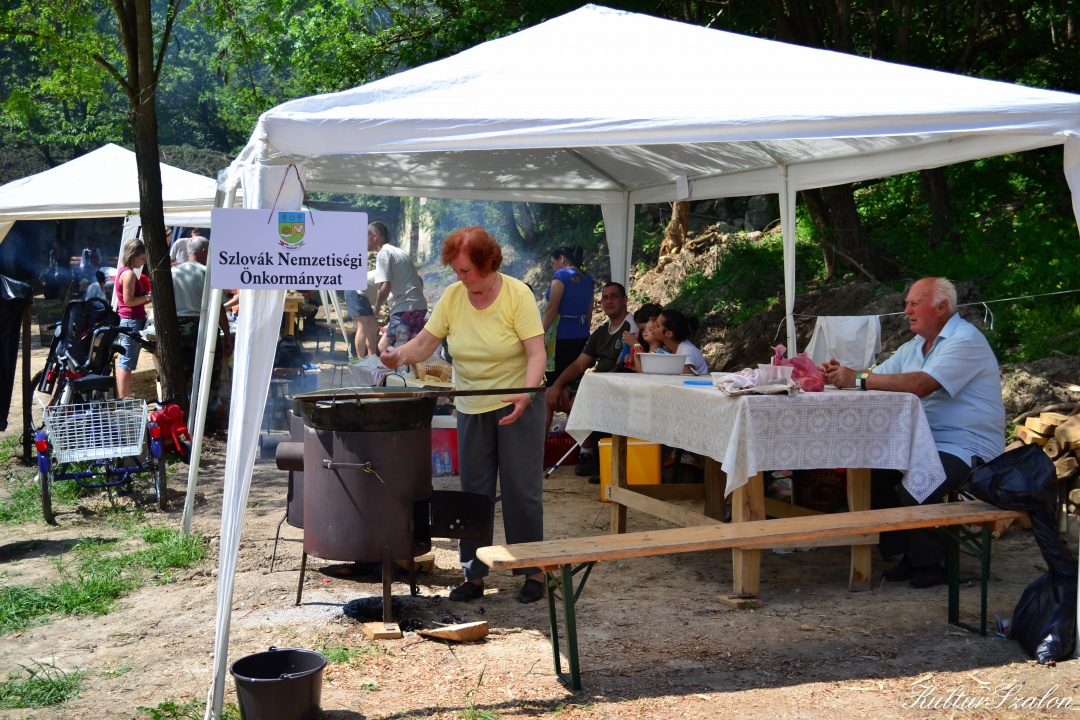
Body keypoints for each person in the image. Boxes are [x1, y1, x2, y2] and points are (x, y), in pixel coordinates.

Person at [381, 226, 547, 605]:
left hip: (517, 403)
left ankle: (531, 570)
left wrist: (526, 393)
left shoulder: (517, 295)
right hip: (471, 405)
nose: (461, 278)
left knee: (521, 491)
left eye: (467, 270)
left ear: (488, 264)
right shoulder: (453, 297)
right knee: (474, 493)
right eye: (456, 270)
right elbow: (426, 343)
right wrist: (398, 355)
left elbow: (537, 353)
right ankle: (473, 574)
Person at [818, 277, 1005, 589]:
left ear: (941, 307)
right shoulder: (914, 346)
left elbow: (921, 384)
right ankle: (909, 552)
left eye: (914, 303)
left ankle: (935, 562)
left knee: (917, 484)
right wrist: (841, 374)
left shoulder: (965, 340)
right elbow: (875, 376)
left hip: (965, 446)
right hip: (922, 441)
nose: (906, 310)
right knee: (870, 473)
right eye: (907, 303)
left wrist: (858, 379)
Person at [546, 282, 638, 478]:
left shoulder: (631, 328)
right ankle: (537, 455)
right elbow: (579, 364)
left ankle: (587, 453)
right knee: (549, 395)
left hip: (619, 386)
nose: (609, 301)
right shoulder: (601, 331)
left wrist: (591, 389)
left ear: (624, 300)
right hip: (595, 384)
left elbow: (625, 367)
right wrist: (557, 385)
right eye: (605, 298)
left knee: (580, 401)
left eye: (614, 296)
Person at [170, 237, 234, 394]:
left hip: (177, 329)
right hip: (203, 329)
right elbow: (219, 309)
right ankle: (207, 409)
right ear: (205, 251)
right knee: (209, 376)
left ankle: (181, 406)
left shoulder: (172, 272)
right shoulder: (208, 273)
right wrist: (227, 335)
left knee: (181, 376)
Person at [368, 221, 427, 353]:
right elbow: (419, 280)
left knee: (396, 350)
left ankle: (400, 368)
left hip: (405, 309)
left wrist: (376, 307)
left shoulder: (383, 254)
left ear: (375, 236)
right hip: (417, 306)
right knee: (386, 346)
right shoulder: (401, 253)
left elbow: (385, 286)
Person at [542, 245, 594, 383]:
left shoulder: (561, 276)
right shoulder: (588, 280)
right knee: (573, 381)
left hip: (561, 339)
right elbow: (589, 314)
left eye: (553, 263)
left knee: (555, 382)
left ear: (561, 258)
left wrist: (539, 335)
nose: (553, 269)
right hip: (581, 337)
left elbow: (552, 309)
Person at [115, 238, 152, 398]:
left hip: (129, 320)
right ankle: (124, 399)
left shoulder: (124, 271)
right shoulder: (129, 274)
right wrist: (149, 298)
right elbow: (129, 301)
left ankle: (123, 397)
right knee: (127, 363)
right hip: (131, 320)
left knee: (125, 362)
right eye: (142, 258)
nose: (144, 262)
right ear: (134, 255)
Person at [650, 308, 708, 375]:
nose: (652, 326)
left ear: (668, 334)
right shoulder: (668, 348)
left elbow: (684, 379)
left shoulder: (686, 352)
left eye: (657, 326)